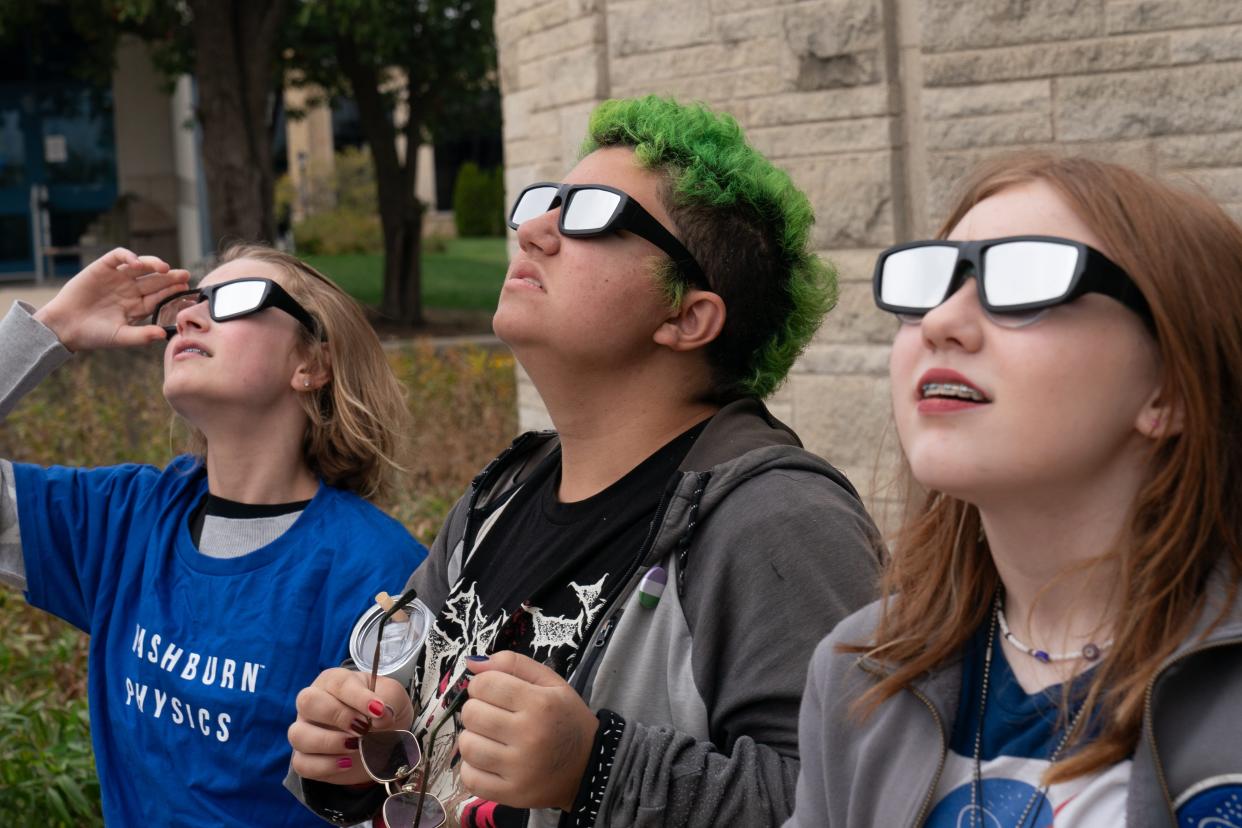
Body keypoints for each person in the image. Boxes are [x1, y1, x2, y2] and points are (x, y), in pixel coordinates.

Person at [285, 95, 881, 827]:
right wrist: (364, 751)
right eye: (547, 203)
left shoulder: (776, 519)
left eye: (590, 214)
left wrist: (596, 767)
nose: (533, 230)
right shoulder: (498, 496)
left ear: (687, 317)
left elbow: (855, 797)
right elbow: (416, 748)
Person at [785, 152, 1242, 827]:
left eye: (1024, 279)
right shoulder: (859, 671)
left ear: (1169, 387)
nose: (941, 321)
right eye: (932, 282)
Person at [0, 245, 427, 825]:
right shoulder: (123, 520)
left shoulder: (380, 571)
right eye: (190, 303)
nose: (189, 317)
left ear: (312, 364)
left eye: (236, 301)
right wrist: (53, 329)